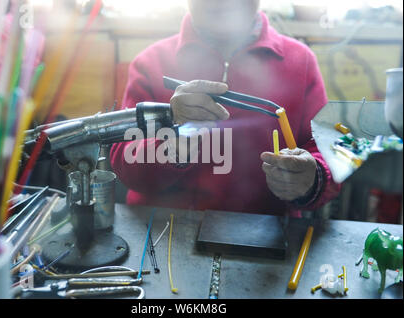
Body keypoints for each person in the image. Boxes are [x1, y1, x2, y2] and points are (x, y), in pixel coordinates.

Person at [110, 0, 341, 216]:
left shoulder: (302, 62)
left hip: (266, 238)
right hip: (165, 232)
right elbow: (125, 163)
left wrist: (313, 176)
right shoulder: (150, 64)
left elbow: (330, 154)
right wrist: (172, 144)